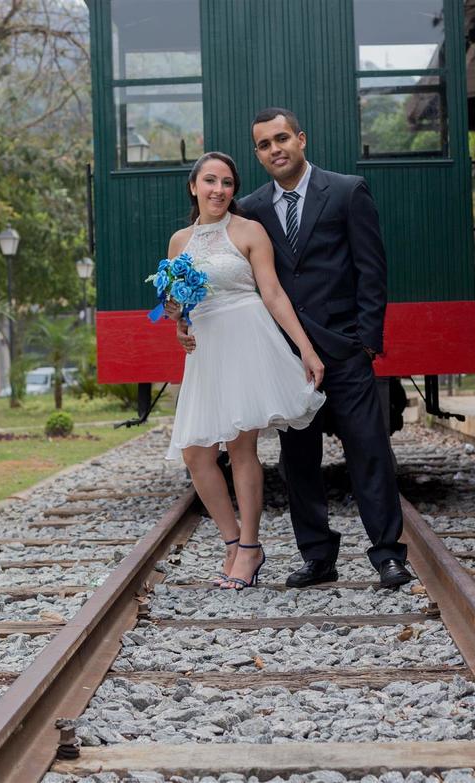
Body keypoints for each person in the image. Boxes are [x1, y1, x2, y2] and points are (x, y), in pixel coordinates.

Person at [177, 108, 412, 590]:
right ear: (259, 154)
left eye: (281, 138)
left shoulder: (347, 191)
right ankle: (317, 555)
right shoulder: (253, 209)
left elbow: (372, 270)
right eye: (264, 145)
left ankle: (387, 555)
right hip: (286, 356)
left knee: (369, 451)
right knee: (298, 461)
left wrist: (366, 343)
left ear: (301, 139)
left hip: (344, 350)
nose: (275, 149)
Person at [164, 151, 326, 590]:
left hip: (245, 340)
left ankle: (250, 548)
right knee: (196, 453)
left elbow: (272, 293)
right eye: (211, 181)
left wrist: (306, 350)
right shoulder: (180, 241)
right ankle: (232, 541)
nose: (219, 190)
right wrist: (178, 320)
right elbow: (177, 304)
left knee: (240, 449)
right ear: (194, 186)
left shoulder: (249, 231)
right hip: (206, 350)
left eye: (228, 183)